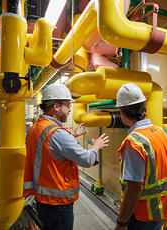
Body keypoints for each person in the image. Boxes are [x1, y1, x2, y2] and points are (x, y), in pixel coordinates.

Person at [23, 83, 109, 230]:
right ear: (56, 106)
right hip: (58, 204)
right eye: (68, 105)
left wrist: (70, 136)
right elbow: (87, 160)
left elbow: (48, 148)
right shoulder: (57, 134)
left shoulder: (37, 127)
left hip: (43, 198)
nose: (70, 110)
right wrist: (95, 147)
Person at [114, 83, 167, 230]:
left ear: (123, 113)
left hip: (143, 215)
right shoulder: (164, 133)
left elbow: (135, 188)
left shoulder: (133, 143)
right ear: (144, 109)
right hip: (163, 209)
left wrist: (122, 221)